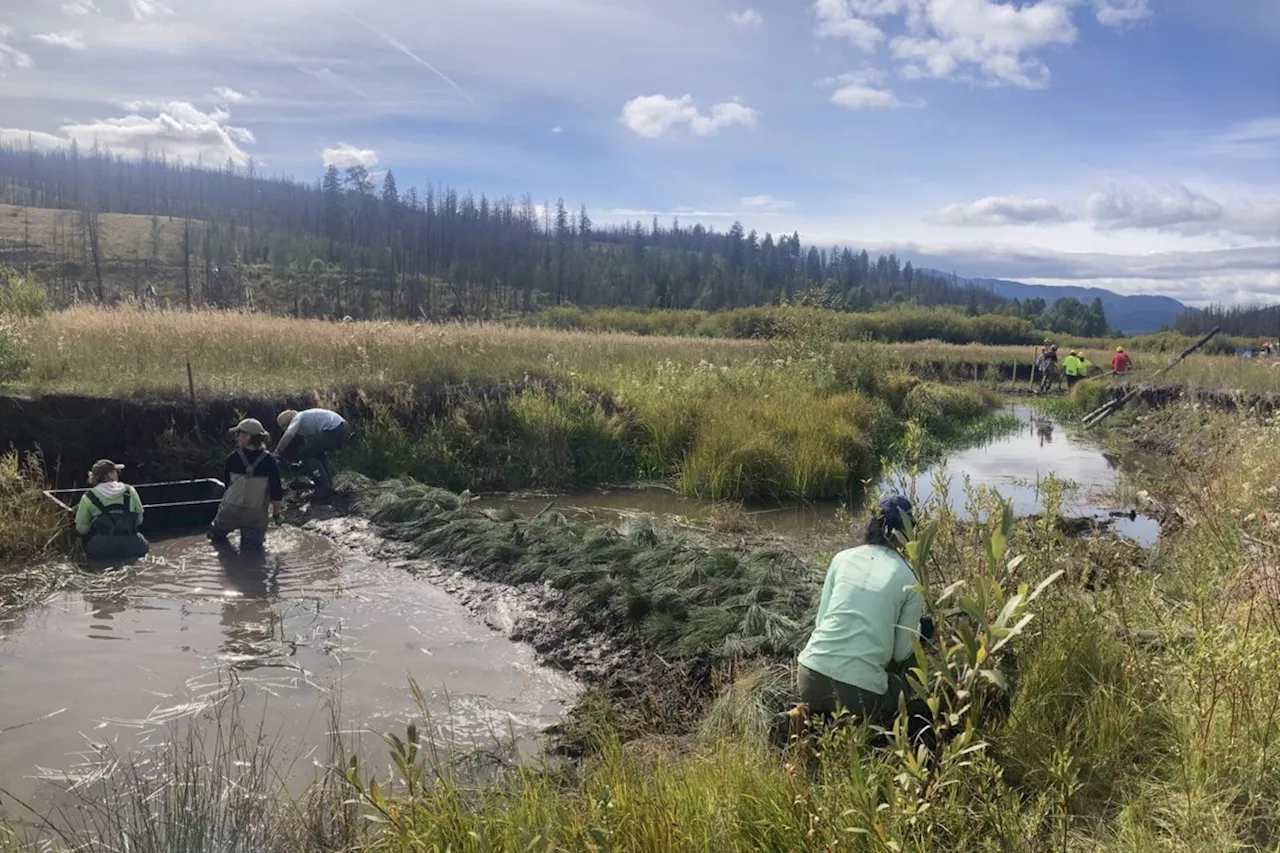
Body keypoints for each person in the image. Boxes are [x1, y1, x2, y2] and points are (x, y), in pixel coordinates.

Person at [796, 496, 925, 726]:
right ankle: (867, 726)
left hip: (809, 677)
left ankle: (804, 717)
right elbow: (900, 653)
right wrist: (920, 632)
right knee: (904, 683)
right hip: (859, 696)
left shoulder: (841, 558)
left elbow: (820, 620)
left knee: (824, 706)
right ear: (908, 533)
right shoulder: (910, 579)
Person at [209, 418, 283, 552]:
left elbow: (227, 484)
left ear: (247, 436)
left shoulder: (232, 458)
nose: (237, 437)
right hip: (255, 513)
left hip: (231, 509)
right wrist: (276, 514)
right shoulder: (269, 461)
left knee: (216, 537)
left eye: (239, 434)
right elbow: (276, 492)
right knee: (253, 551)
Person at [75, 459, 149, 560]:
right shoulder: (130, 490)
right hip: (132, 544)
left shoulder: (89, 496)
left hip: (102, 547)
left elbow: (82, 529)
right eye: (115, 471)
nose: (118, 474)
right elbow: (139, 520)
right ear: (108, 475)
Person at [275, 408, 350, 500]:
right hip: (341, 427)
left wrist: (277, 452)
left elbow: (289, 435)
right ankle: (328, 485)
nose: (284, 429)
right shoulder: (306, 421)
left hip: (334, 428)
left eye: (283, 427)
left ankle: (322, 488)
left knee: (306, 453)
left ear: (287, 422)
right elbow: (311, 444)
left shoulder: (298, 417)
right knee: (317, 454)